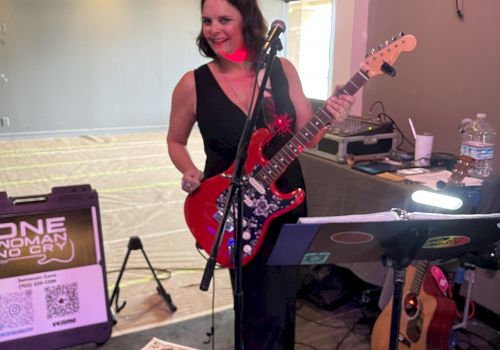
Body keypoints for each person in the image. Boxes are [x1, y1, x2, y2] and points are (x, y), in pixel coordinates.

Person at [167, 0, 354, 348]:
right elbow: (175, 141)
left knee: (282, 296)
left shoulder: (282, 70)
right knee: (256, 300)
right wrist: (189, 170)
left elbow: (306, 136)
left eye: (225, 19)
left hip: (287, 202)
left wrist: (329, 114)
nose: (214, 29)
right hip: (235, 208)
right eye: (207, 20)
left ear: (248, 21)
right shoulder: (193, 84)